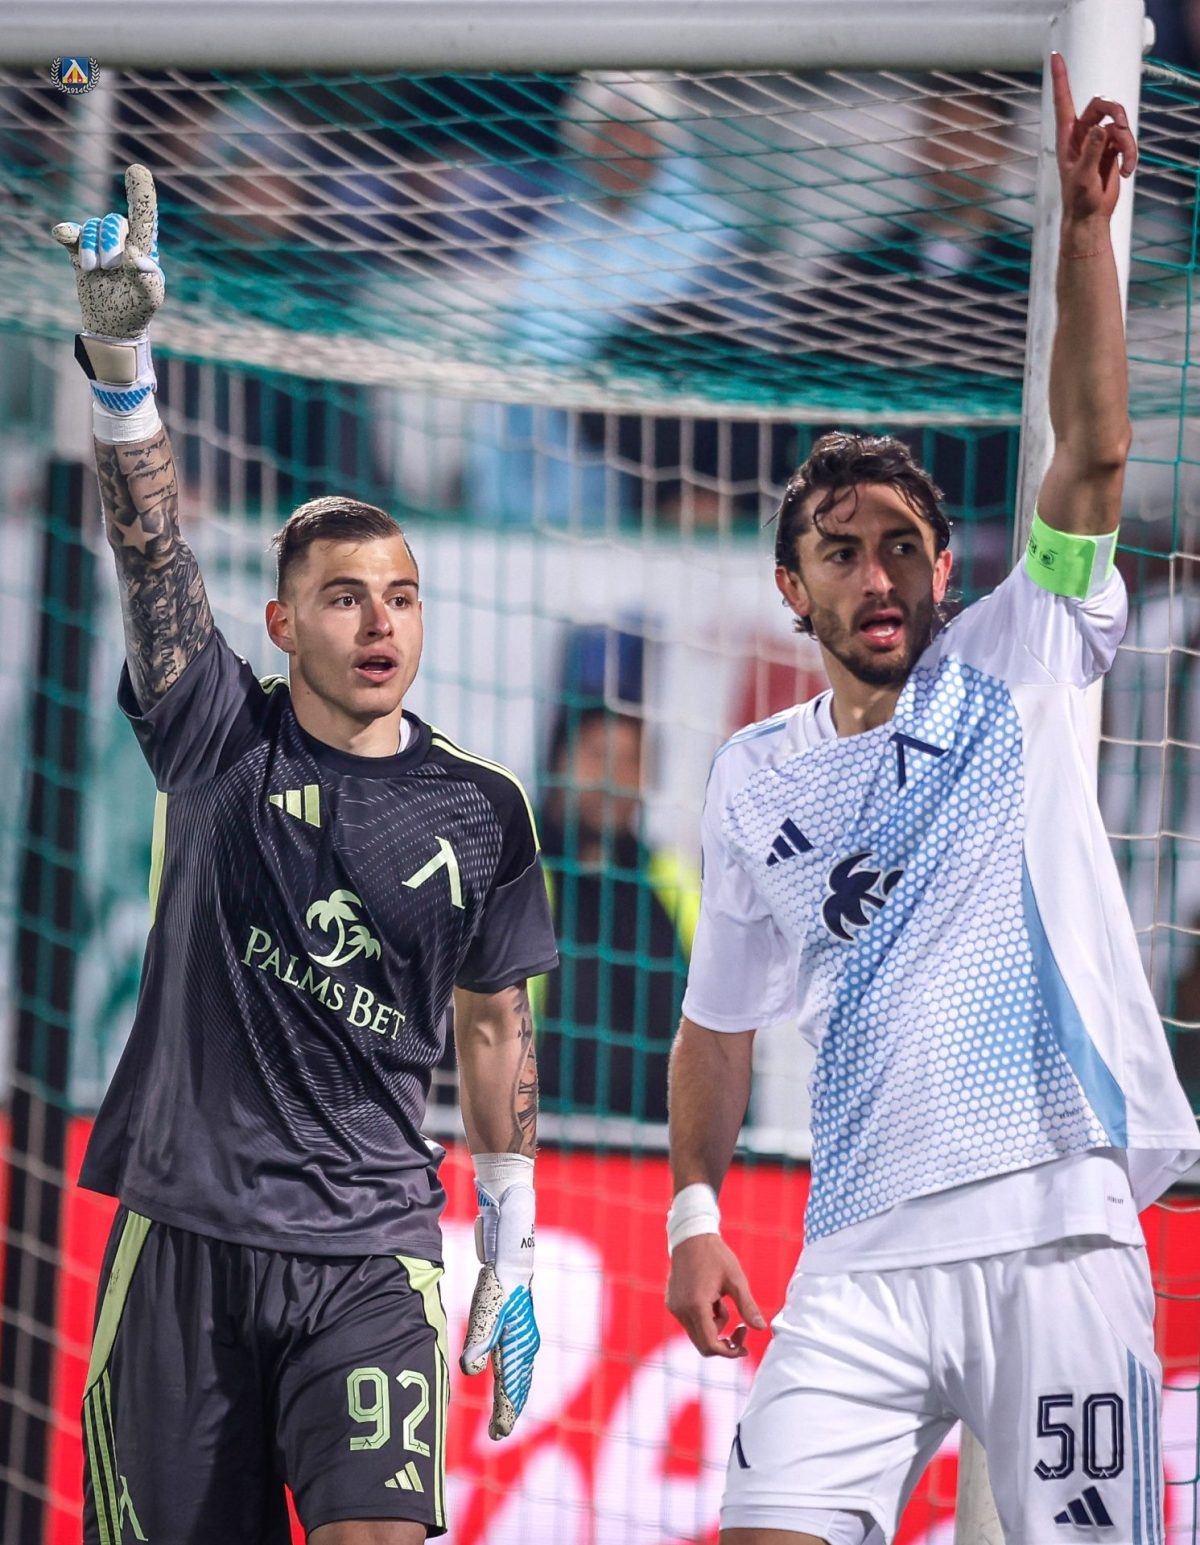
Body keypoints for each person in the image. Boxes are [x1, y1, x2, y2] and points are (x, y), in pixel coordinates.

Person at [665, 55, 1200, 1545]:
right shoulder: (753, 775)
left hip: (1057, 1231)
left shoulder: (1021, 661)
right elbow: (715, 1024)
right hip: (855, 1257)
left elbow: (1095, 451)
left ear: (948, 568)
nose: (879, 573)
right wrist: (696, 1210)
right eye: (842, 551)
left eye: (904, 544)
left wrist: (1084, 234)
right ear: (794, 590)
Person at [52, 165, 557, 1544]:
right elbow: (152, 557)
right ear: (282, 624)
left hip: (370, 1259)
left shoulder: (483, 806)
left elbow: (496, 1026)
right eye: (344, 598)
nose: (380, 624)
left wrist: (510, 1242)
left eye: (401, 597)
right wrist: (122, 374)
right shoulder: (219, 734)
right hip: (185, 1243)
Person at [536, 626, 697, 1123]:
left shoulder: (674, 884)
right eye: (595, 755)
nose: (611, 779)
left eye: (630, 760)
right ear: (558, 758)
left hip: (655, 1155)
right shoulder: (512, 876)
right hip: (537, 1152)